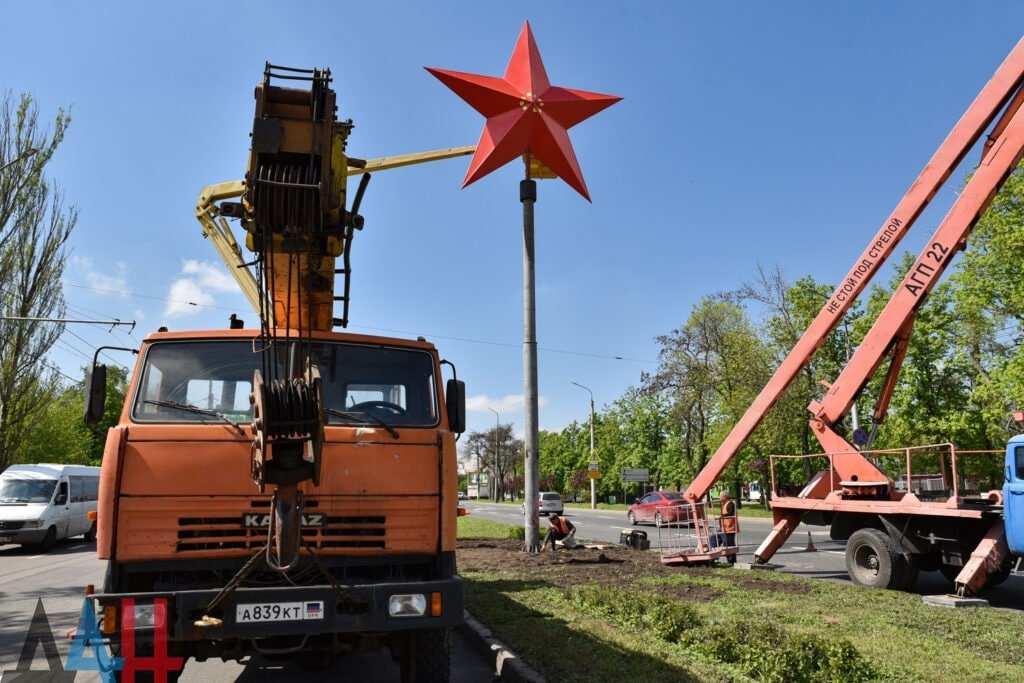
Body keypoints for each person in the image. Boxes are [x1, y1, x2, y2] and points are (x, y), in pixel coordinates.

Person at [719, 492, 739, 564]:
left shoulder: (730, 504)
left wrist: (722, 516)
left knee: (730, 544)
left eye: (721, 496)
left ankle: (732, 561)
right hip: (725, 528)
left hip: (730, 528)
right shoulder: (725, 504)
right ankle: (729, 560)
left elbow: (731, 513)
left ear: (725, 497)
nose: (720, 498)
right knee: (726, 544)